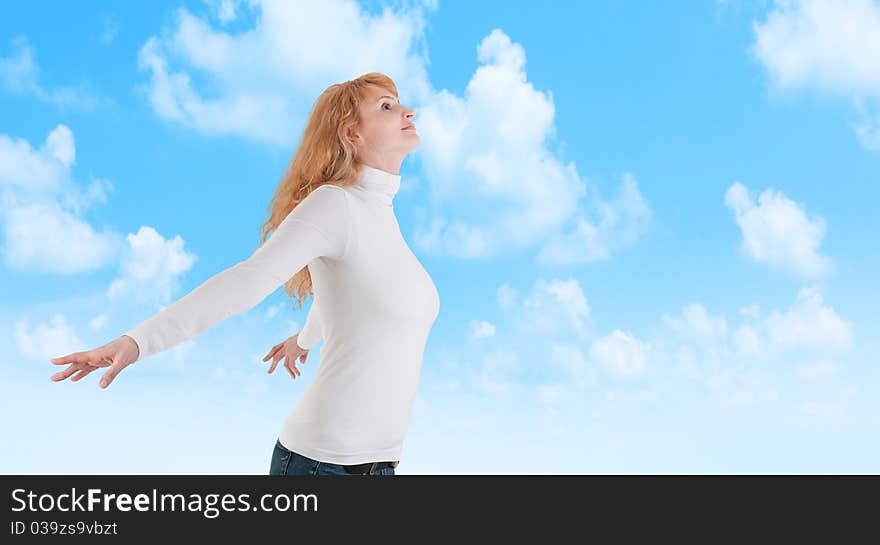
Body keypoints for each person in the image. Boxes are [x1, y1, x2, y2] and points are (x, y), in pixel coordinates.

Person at [49, 72, 440, 476]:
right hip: (323, 467)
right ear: (352, 134)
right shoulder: (334, 206)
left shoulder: (381, 216)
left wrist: (303, 341)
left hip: (380, 467)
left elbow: (350, 297)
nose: (407, 111)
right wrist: (137, 342)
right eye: (386, 106)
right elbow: (245, 281)